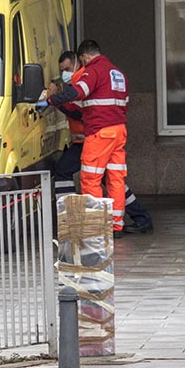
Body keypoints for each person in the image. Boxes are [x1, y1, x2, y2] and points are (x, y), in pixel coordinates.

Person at [50, 50, 154, 234]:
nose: (65, 74)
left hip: (96, 136)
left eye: (67, 69)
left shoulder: (89, 75)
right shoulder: (115, 74)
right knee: (114, 178)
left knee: (90, 178)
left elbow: (79, 108)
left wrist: (53, 100)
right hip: (114, 131)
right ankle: (121, 222)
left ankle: (93, 225)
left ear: (81, 60)